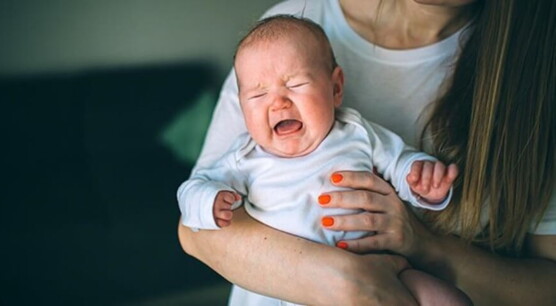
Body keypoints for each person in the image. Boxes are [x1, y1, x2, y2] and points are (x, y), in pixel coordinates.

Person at [178, 0, 556, 305]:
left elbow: (398, 159)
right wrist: (212, 200)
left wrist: (420, 180)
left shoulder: (355, 131)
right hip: (285, 293)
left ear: (336, 87)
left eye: (295, 84)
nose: (277, 103)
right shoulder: (245, 154)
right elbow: (194, 212)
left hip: (386, 266)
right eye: (258, 96)